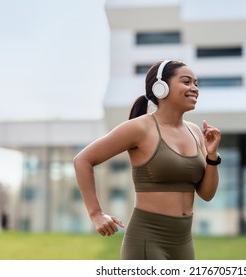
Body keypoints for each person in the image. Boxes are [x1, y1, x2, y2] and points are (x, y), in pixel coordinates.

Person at [73, 60, 222, 260]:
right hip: (147, 241)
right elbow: (83, 160)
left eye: (196, 83)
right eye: (186, 82)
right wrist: (95, 213)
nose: (194, 88)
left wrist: (212, 157)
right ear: (161, 87)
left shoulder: (195, 131)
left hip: (183, 243)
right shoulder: (139, 128)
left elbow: (207, 194)